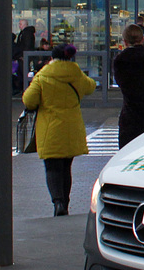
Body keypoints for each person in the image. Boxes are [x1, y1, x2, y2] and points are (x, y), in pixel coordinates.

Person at [22, 43, 97, 216]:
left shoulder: (43, 75)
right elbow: (91, 86)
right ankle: (66, 202)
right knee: (66, 167)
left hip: (50, 128)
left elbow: (29, 100)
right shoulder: (76, 73)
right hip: (71, 127)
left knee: (52, 167)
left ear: (52, 57)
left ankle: (58, 202)